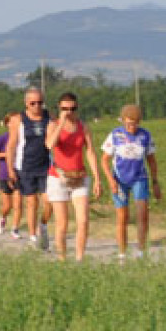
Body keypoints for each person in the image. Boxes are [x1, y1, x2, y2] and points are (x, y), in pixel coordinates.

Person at [43, 93, 99, 261]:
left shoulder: (83, 126)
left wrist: (97, 178)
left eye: (72, 108)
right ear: (59, 108)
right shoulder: (53, 125)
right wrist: (61, 123)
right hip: (58, 177)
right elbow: (49, 145)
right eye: (65, 108)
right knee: (62, 223)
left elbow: (90, 151)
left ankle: (79, 258)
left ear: (77, 108)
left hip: (79, 176)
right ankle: (62, 260)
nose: (69, 112)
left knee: (83, 220)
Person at [100, 103, 159, 261]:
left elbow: (151, 160)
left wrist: (155, 182)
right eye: (128, 124)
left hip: (139, 178)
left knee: (142, 214)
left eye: (134, 124)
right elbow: (104, 160)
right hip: (120, 180)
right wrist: (110, 180)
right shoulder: (115, 135)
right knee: (122, 217)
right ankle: (122, 254)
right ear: (123, 121)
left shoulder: (145, 135)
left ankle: (141, 252)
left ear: (139, 122)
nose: (131, 127)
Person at [7, 88, 54, 250]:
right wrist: (10, 169)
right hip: (25, 166)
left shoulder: (49, 117)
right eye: (33, 103)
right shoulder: (19, 120)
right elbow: (11, 145)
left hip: (46, 165)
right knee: (31, 202)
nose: (37, 106)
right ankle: (33, 236)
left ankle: (43, 224)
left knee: (49, 201)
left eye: (40, 102)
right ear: (26, 103)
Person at [0, 113, 19, 235]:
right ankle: (2, 218)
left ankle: (15, 228)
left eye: (19, 121)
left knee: (18, 204)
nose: (17, 124)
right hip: (4, 173)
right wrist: (6, 155)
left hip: (19, 173)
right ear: (8, 124)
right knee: (8, 205)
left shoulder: (24, 138)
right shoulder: (3, 138)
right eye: (14, 121)